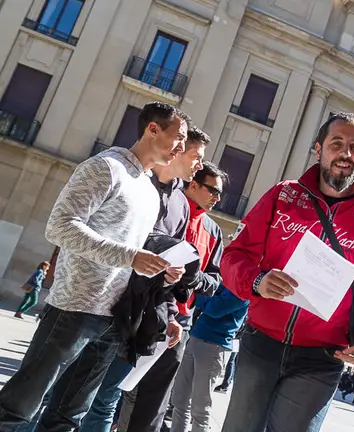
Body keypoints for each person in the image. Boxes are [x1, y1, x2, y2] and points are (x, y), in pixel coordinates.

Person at [0, 101, 186, 430]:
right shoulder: (105, 167)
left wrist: (161, 266)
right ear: (152, 129)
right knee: (18, 409)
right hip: (72, 311)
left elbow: (132, 247)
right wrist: (130, 257)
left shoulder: (149, 191)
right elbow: (59, 226)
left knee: (68, 418)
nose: (182, 148)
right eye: (179, 137)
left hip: (114, 319)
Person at [220, 112, 354, 431]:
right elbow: (233, 256)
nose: (346, 154)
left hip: (323, 358)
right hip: (260, 342)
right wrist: (258, 281)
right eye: (337, 144)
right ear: (319, 150)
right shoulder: (282, 195)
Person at [78, 127, 214, 432]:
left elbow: (168, 266)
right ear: (178, 150)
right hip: (101, 303)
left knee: (106, 399)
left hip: (139, 317)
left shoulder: (179, 203)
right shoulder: (137, 184)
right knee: (73, 394)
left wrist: (170, 313)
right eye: (196, 156)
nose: (198, 165)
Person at [170, 284, 248, 432]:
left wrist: (193, 296)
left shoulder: (244, 287)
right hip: (198, 338)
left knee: (200, 407)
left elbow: (216, 308)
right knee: (180, 399)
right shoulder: (231, 280)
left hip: (215, 346)